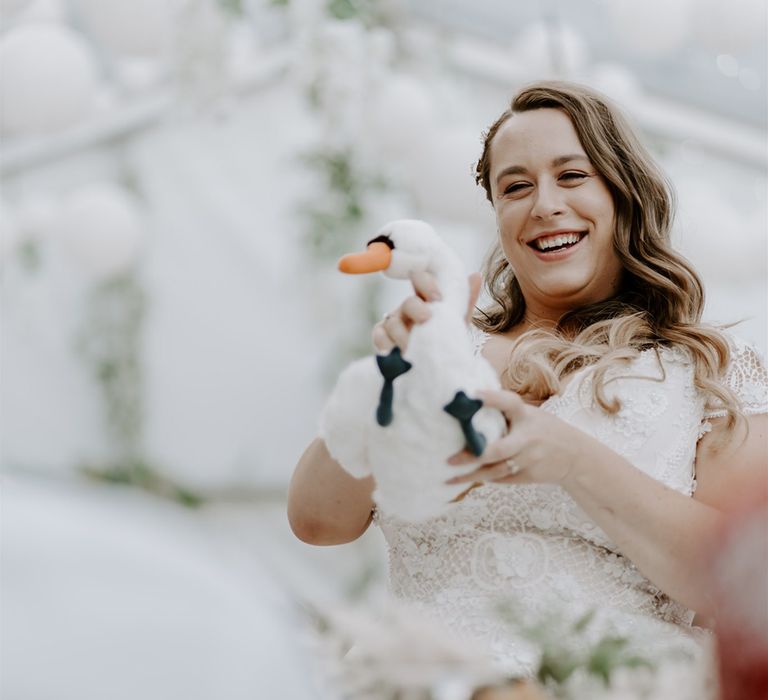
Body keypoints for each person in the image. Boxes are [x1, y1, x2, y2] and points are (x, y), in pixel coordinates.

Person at [287, 81, 768, 685]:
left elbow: (741, 582)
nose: (543, 204)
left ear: (623, 193)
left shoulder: (712, 371)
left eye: (572, 176)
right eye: (515, 187)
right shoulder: (441, 348)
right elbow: (316, 521)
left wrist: (573, 459)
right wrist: (391, 384)